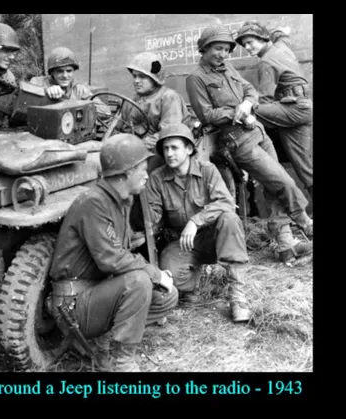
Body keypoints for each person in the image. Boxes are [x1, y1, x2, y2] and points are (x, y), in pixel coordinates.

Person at [48, 133, 179, 372]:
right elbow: (112, 260)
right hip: (73, 305)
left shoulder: (121, 200)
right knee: (140, 281)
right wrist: (154, 273)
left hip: (97, 293)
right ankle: (122, 362)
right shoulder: (94, 202)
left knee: (167, 295)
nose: (148, 175)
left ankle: (103, 343)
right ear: (127, 172)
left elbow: (121, 254)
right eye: (143, 169)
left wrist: (157, 277)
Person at [186, 25, 312, 264]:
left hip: (259, 133)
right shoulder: (196, 78)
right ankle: (305, 221)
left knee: (272, 186)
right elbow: (207, 115)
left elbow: (250, 90)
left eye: (226, 49)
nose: (223, 54)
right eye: (218, 49)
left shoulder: (228, 68)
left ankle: (286, 245)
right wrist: (238, 112)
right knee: (283, 181)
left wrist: (247, 103)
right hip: (239, 140)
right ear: (204, 49)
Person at [145, 123, 252, 322]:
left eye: (174, 148)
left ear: (188, 149)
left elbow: (226, 202)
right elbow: (153, 219)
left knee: (229, 219)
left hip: (214, 238)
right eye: (165, 149)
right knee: (171, 280)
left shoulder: (207, 170)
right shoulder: (156, 179)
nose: (169, 154)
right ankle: (192, 283)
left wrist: (195, 221)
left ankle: (238, 296)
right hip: (183, 244)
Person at [235, 21, 313, 202]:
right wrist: (279, 31)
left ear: (262, 38)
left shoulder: (266, 62)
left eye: (250, 42)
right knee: (305, 167)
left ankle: (250, 161)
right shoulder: (281, 45)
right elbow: (281, 35)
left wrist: (245, 106)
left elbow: (264, 99)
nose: (247, 47)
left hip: (294, 109)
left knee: (249, 111)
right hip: (300, 109)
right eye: (244, 44)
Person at [119, 51, 194, 174]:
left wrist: (136, 147)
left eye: (142, 76)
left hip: (161, 149)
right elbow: (121, 127)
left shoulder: (169, 98)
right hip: (135, 149)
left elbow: (167, 133)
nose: (136, 81)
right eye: (135, 76)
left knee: (136, 172)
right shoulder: (131, 101)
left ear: (154, 78)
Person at [29, 46, 110, 115]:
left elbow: (106, 112)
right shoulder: (38, 82)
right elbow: (26, 102)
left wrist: (78, 106)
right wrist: (46, 93)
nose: (65, 76)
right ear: (52, 72)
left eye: (69, 71)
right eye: (60, 71)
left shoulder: (79, 90)